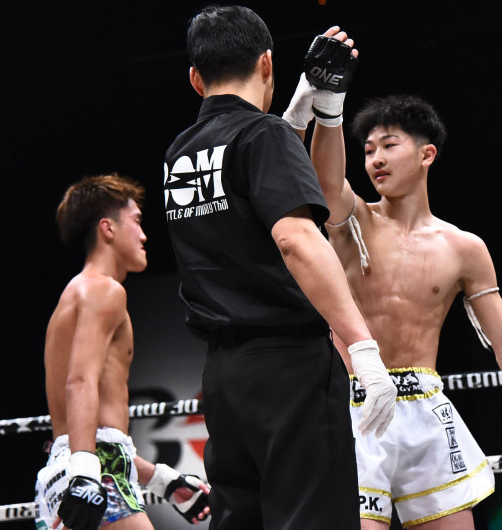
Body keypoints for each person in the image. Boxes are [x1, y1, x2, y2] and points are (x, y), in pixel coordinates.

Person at [282, 28, 502, 529]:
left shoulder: (464, 248)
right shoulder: (354, 222)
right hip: (354, 404)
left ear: (427, 154)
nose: (375, 159)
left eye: (388, 145)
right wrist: (330, 107)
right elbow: (327, 185)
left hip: (426, 411)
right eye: (367, 150)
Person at [162, 6, 397, 529]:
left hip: (223, 378)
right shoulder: (263, 136)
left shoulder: (179, 153)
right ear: (267, 63)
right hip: (289, 369)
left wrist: (293, 119)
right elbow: (295, 239)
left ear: (196, 78)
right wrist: (362, 347)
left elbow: (243, 198)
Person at [34, 174, 211, 530]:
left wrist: (162, 480)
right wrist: (86, 473)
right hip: (94, 472)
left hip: (67, 470)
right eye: (136, 221)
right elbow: (80, 382)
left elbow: (89, 427)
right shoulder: (104, 291)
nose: (144, 235)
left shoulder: (72, 297)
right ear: (108, 228)